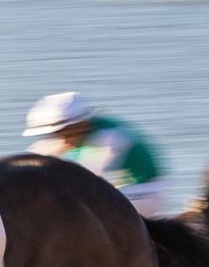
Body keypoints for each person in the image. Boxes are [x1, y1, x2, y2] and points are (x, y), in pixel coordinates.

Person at [23, 92, 170, 217]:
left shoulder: (107, 138)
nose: (59, 138)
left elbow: (87, 182)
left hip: (144, 192)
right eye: (55, 134)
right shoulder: (81, 132)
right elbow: (35, 157)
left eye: (61, 133)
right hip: (120, 187)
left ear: (78, 125)